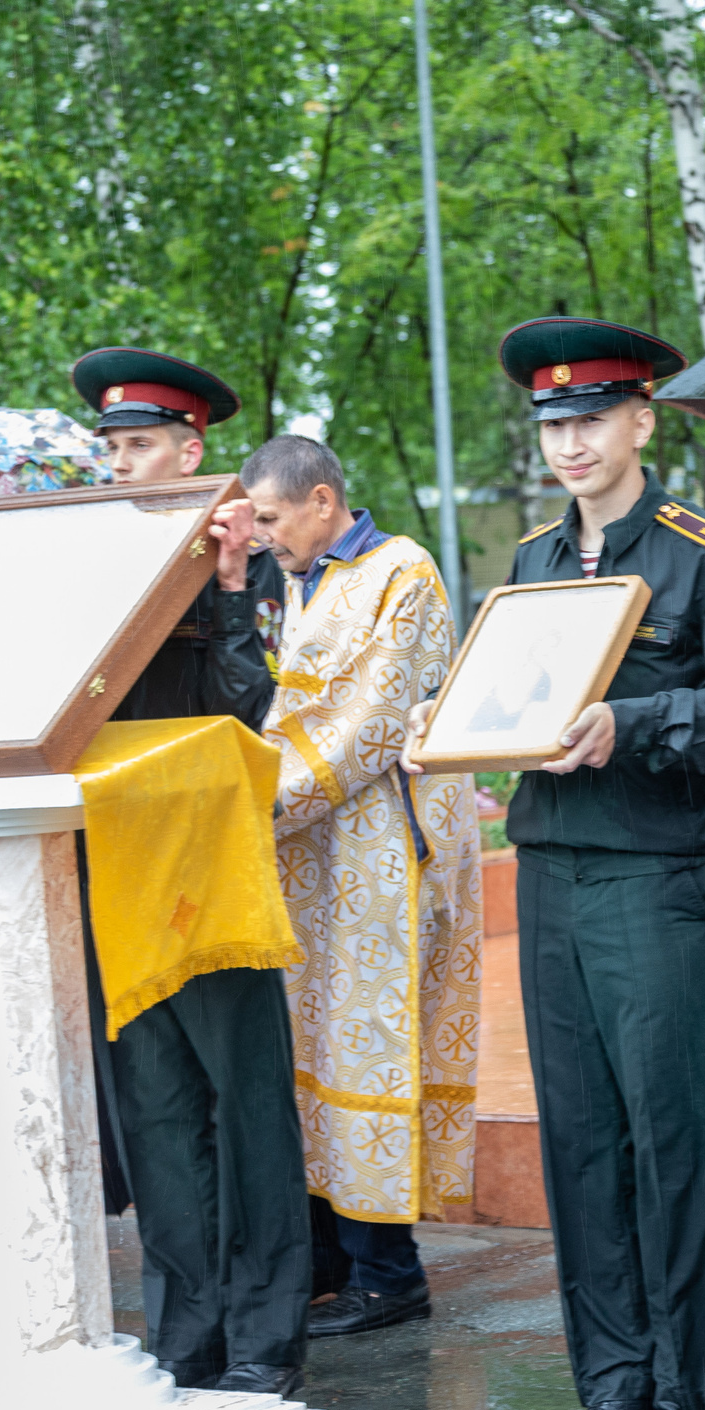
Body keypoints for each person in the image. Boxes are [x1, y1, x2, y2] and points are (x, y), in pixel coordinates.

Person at [406, 317, 705, 1410]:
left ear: (640, 421)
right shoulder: (531, 562)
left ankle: (690, 1392)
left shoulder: (703, 553)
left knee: (667, 1137)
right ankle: (613, 1384)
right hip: (553, 873)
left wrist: (629, 724)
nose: (570, 443)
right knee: (581, 1140)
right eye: (554, 425)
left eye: (590, 420)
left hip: (650, 876)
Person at [73, 346, 311, 1397]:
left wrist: (221, 589)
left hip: (208, 872)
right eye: (114, 448)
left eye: (141, 445)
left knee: (246, 1106)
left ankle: (263, 1337)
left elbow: (245, 702)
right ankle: (186, 1332)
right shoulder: (85, 568)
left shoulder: (248, 562)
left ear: (191, 447)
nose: (125, 465)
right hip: (114, 863)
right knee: (157, 1112)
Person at [243, 435, 482, 1343]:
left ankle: (392, 1271)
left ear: (322, 500)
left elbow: (373, 722)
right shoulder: (291, 579)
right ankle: (328, 1259)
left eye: (272, 518)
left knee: (371, 1037)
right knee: (312, 1040)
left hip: (385, 845)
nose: (265, 535)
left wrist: (252, 802)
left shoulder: (401, 571)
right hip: (309, 854)